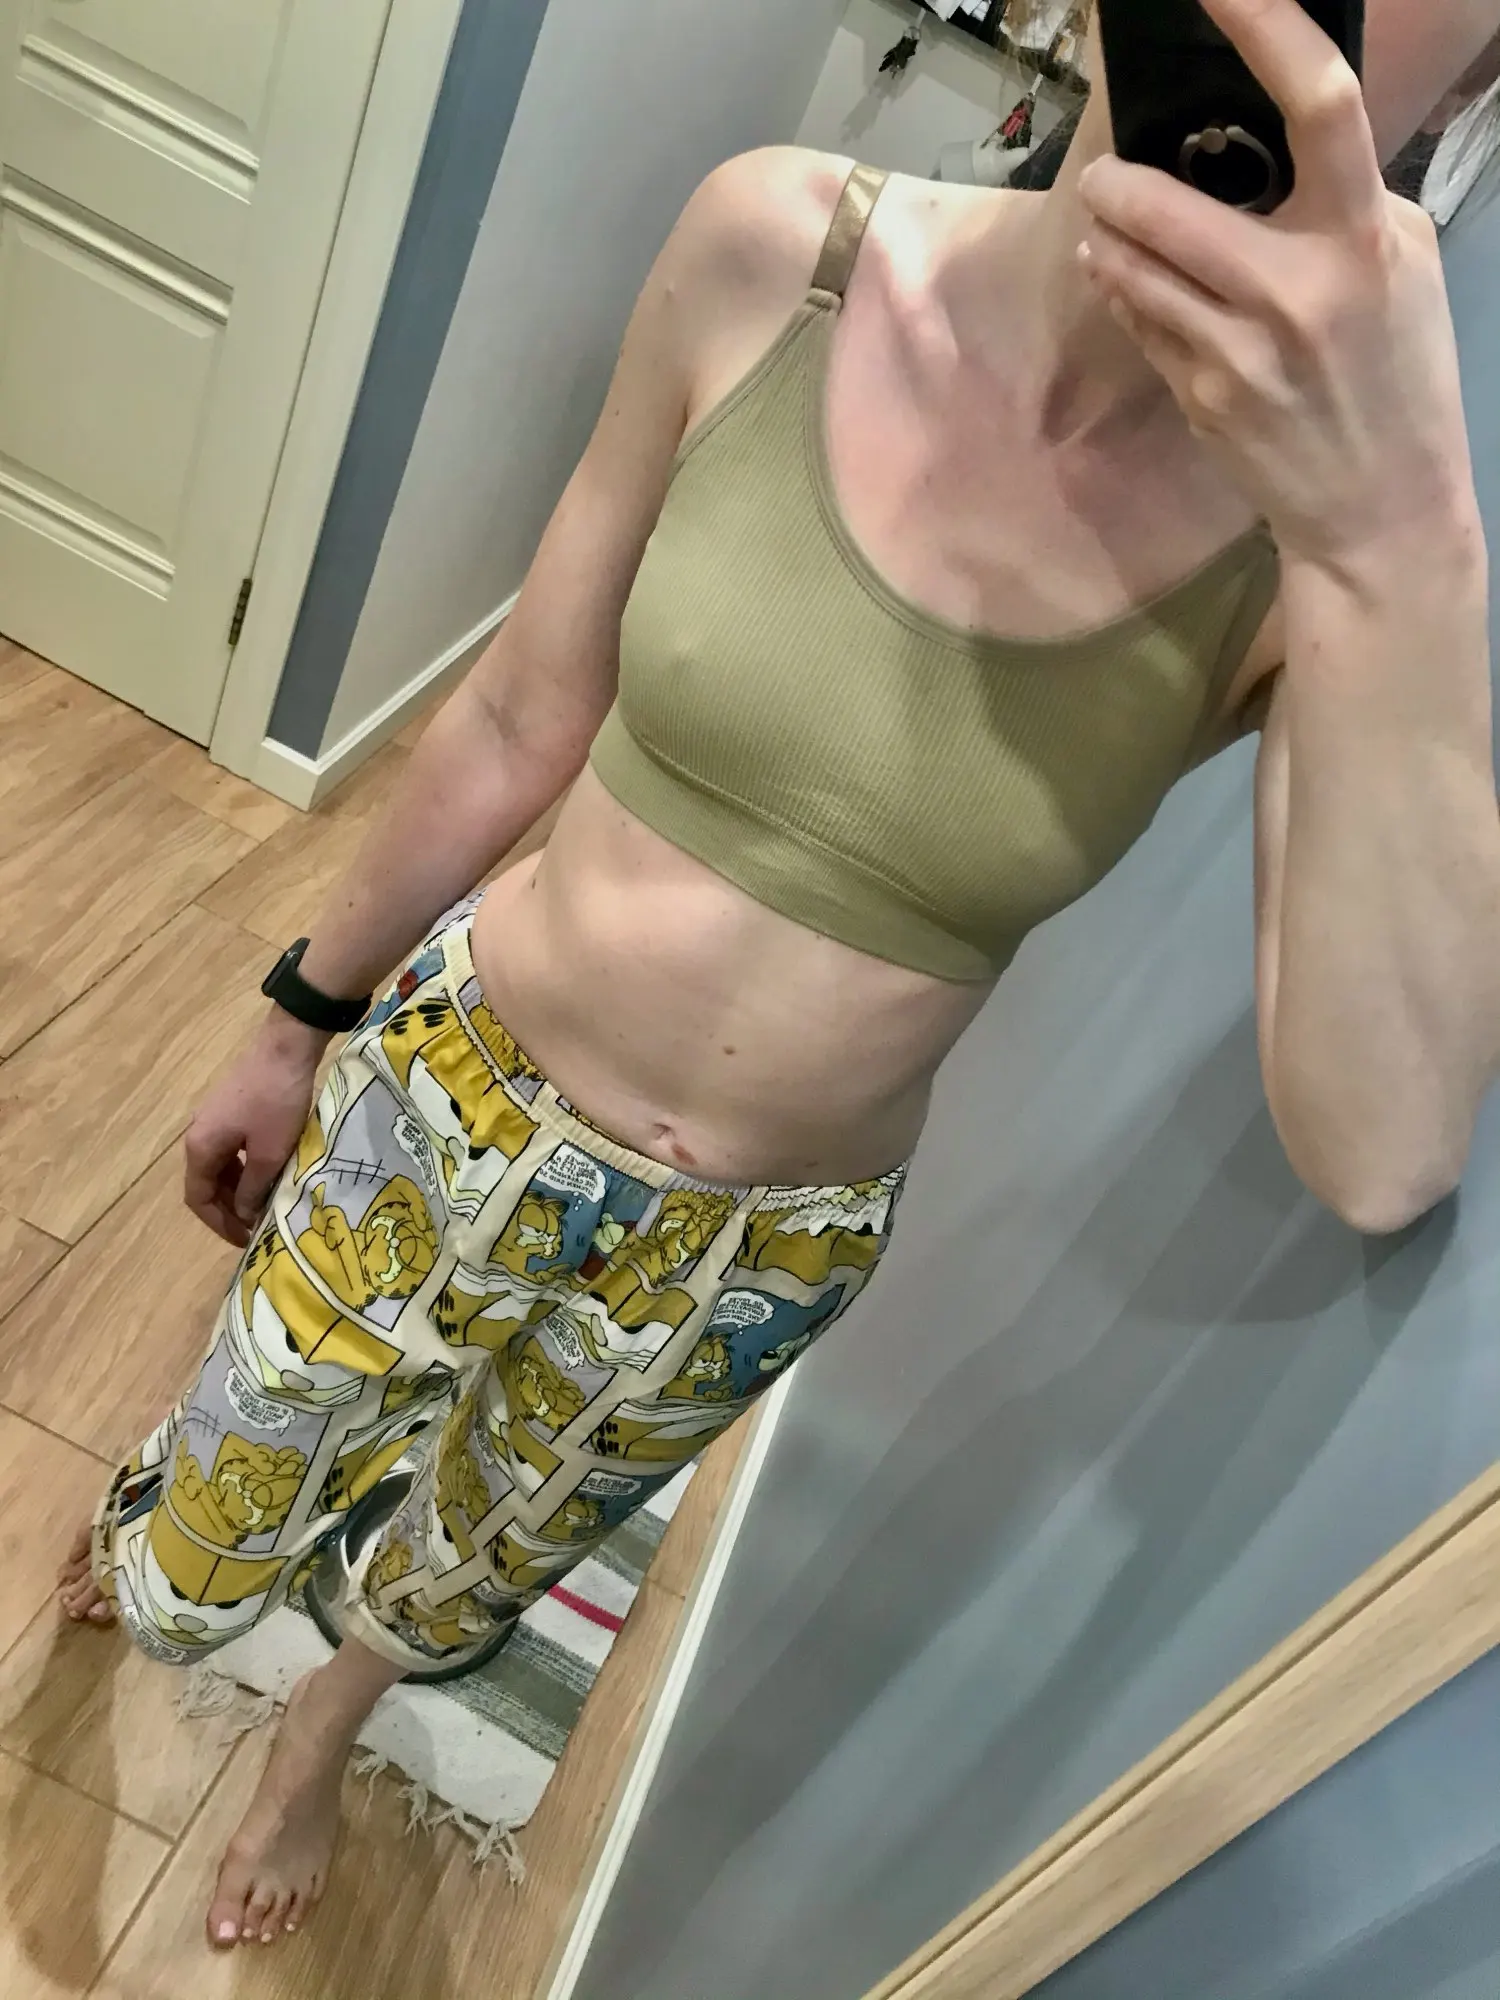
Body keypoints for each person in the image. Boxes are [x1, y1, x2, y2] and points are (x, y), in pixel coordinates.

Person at [57, 0, 1500, 1953]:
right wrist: (291, 1016)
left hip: (765, 1238)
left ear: (1469, 78)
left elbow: (1389, 1142)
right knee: (211, 1510)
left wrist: (1401, 533)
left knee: (481, 1554)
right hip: (455, 1095)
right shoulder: (782, 246)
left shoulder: (1325, 551)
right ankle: (168, 1544)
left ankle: (322, 1734)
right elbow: (519, 711)